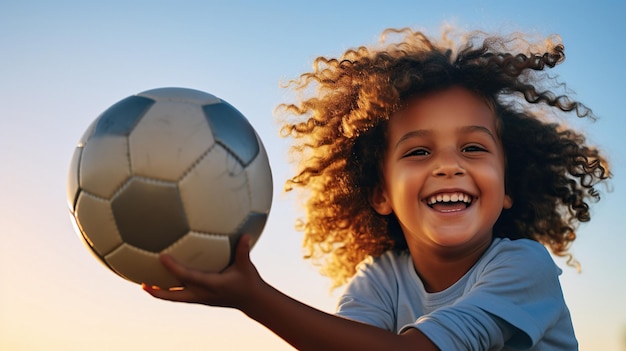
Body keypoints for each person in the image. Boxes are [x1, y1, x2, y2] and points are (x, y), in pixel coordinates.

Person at [143, 27, 611, 350]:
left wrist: (253, 298)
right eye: (418, 152)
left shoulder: (523, 268)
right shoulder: (382, 279)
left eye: (473, 148)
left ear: (508, 185)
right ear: (381, 194)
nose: (449, 165)